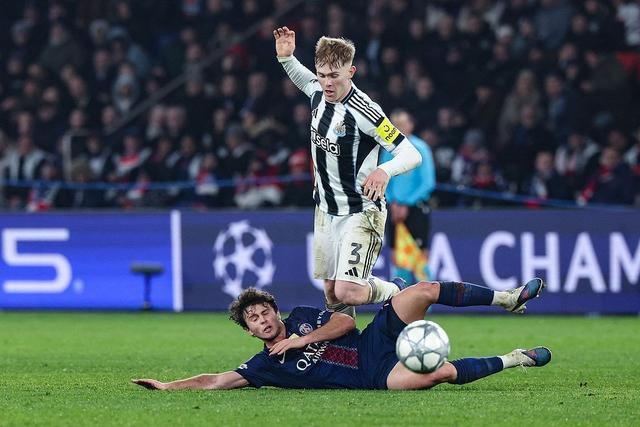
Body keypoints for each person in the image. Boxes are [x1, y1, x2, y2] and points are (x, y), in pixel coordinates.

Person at [132, 278, 550, 391]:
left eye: (264, 312)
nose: (262, 320)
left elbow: (346, 323)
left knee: (424, 290)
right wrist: (169, 386)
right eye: (253, 319)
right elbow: (216, 381)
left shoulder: (302, 318)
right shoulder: (265, 366)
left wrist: (301, 339)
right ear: (249, 330)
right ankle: (516, 358)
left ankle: (507, 299)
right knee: (438, 373)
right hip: (373, 376)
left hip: (372, 340)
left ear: (275, 310)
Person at [272, 26, 423, 318]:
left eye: (334, 76)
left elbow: (411, 153)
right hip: (326, 209)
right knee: (330, 291)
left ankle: (396, 289)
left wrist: (384, 170)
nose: (327, 83)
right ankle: (346, 342)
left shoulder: (366, 112)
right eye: (322, 74)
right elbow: (304, 79)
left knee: (347, 291)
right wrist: (286, 58)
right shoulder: (318, 92)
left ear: (351, 72)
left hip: (360, 210)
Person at [380, 109, 436, 282]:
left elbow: (428, 182)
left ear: (411, 125)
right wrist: (393, 202)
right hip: (394, 209)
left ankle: (426, 297)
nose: (399, 128)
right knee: (397, 258)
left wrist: (406, 203)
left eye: (402, 124)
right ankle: (403, 297)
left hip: (416, 208)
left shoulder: (421, 148)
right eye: (395, 125)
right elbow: (383, 177)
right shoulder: (387, 150)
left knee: (420, 258)